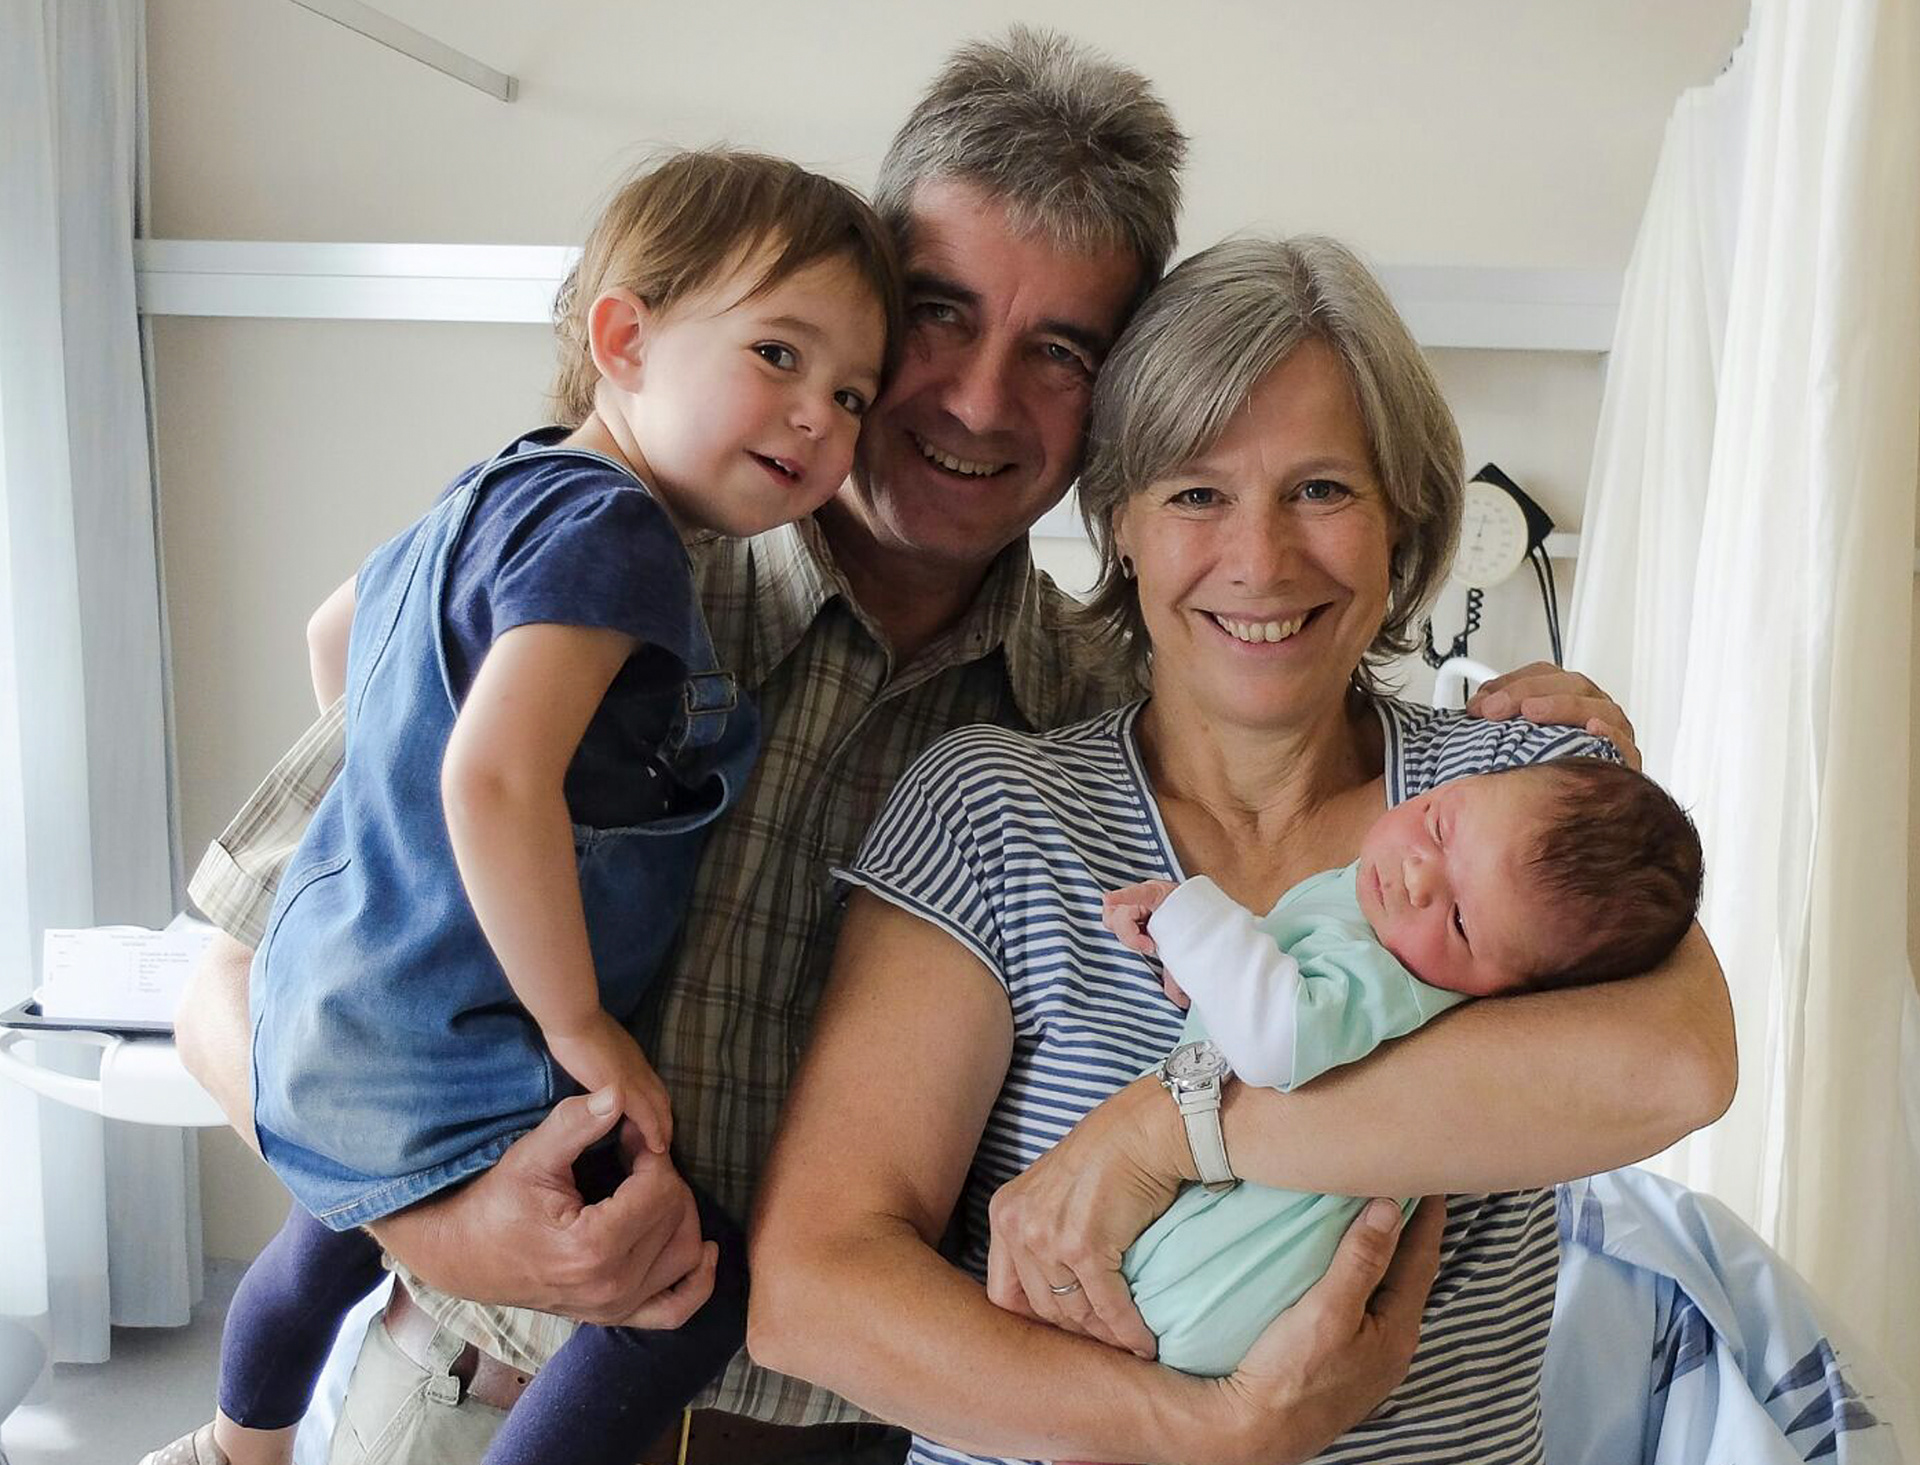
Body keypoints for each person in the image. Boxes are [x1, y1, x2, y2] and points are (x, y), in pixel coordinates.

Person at [174, 31, 1696, 1465]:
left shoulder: (1088, 713)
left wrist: (1521, 773)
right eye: (941, 315)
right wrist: (438, 1219)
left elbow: (1295, 685)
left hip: (865, 1425)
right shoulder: (601, 582)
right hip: (494, 1385)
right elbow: (234, 978)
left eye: (1060, 349)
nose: (976, 397)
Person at [745, 236, 1734, 1465]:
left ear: (1402, 518)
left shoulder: (1519, 798)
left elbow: (1676, 1070)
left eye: (1321, 490)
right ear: (1119, 523)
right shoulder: (996, 813)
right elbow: (814, 1291)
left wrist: (1166, 1130)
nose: (1260, 561)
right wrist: (1207, 1430)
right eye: (1196, 494)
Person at [142, 151, 897, 1465]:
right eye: (779, 354)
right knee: (693, 1288)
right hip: (457, 1032)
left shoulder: (496, 487)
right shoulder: (619, 536)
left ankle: (231, 1447)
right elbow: (493, 779)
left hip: (330, 1007)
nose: (818, 420)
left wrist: (395, 804)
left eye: (851, 395)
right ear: (625, 338)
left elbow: (336, 637)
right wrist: (580, 1026)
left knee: (331, 1231)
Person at [1098, 756, 1703, 1388]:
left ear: (1510, 995)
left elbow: (1275, 1038)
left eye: (1461, 922)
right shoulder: (1379, 911)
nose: (1417, 877)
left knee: (1094, 1330)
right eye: (1441, 826)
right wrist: (1205, 969)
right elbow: (1292, 956)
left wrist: (1189, 918)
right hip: (1209, 1250)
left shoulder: (1394, 978)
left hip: (1214, 1277)